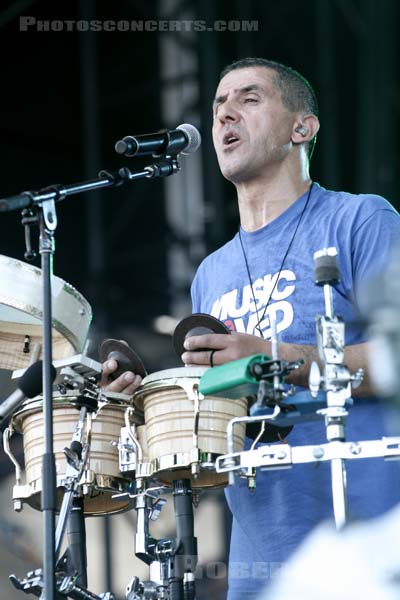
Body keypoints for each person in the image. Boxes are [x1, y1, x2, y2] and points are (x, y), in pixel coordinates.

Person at [102, 58, 400, 599]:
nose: (224, 115)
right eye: (218, 106)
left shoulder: (360, 220)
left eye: (249, 98)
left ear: (301, 128)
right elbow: (218, 419)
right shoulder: (209, 273)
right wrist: (144, 402)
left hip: (366, 539)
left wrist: (274, 357)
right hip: (261, 555)